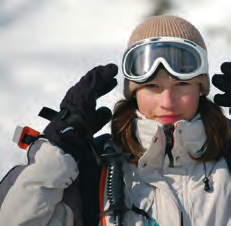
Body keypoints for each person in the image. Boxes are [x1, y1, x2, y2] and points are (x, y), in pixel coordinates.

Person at [0, 15, 231, 226]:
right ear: (134, 92)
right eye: (152, 86)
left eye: (181, 85)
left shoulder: (227, 162)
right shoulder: (93, 169)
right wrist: (55, 154)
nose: (167, 102)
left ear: (200, 89)